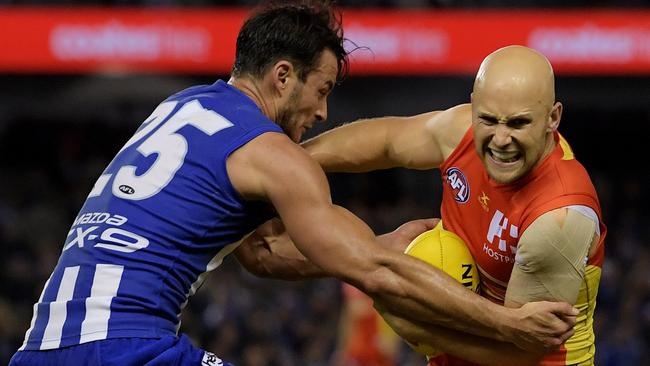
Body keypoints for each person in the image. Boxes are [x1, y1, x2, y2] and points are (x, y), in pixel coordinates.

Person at [10, 2, 576, 364]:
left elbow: (261, 253)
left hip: (41, 345)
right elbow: (373, 275)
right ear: (284, 76)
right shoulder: (270, 154)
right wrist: (507, 322)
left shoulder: (182, 108)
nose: (324, 112)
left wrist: (374, 245)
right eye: (322, 89)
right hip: (123, 346)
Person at [303, 45, 605, 365]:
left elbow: (521, 351)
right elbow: (388, 141)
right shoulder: (462, 132)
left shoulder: (559, 217)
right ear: (473, 108)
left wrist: (421, 327)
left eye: (518, 124)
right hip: (462, 348)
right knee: (435, 254)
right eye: (488, 120)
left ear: (553, 118)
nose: (501, 139)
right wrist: (289, 159)